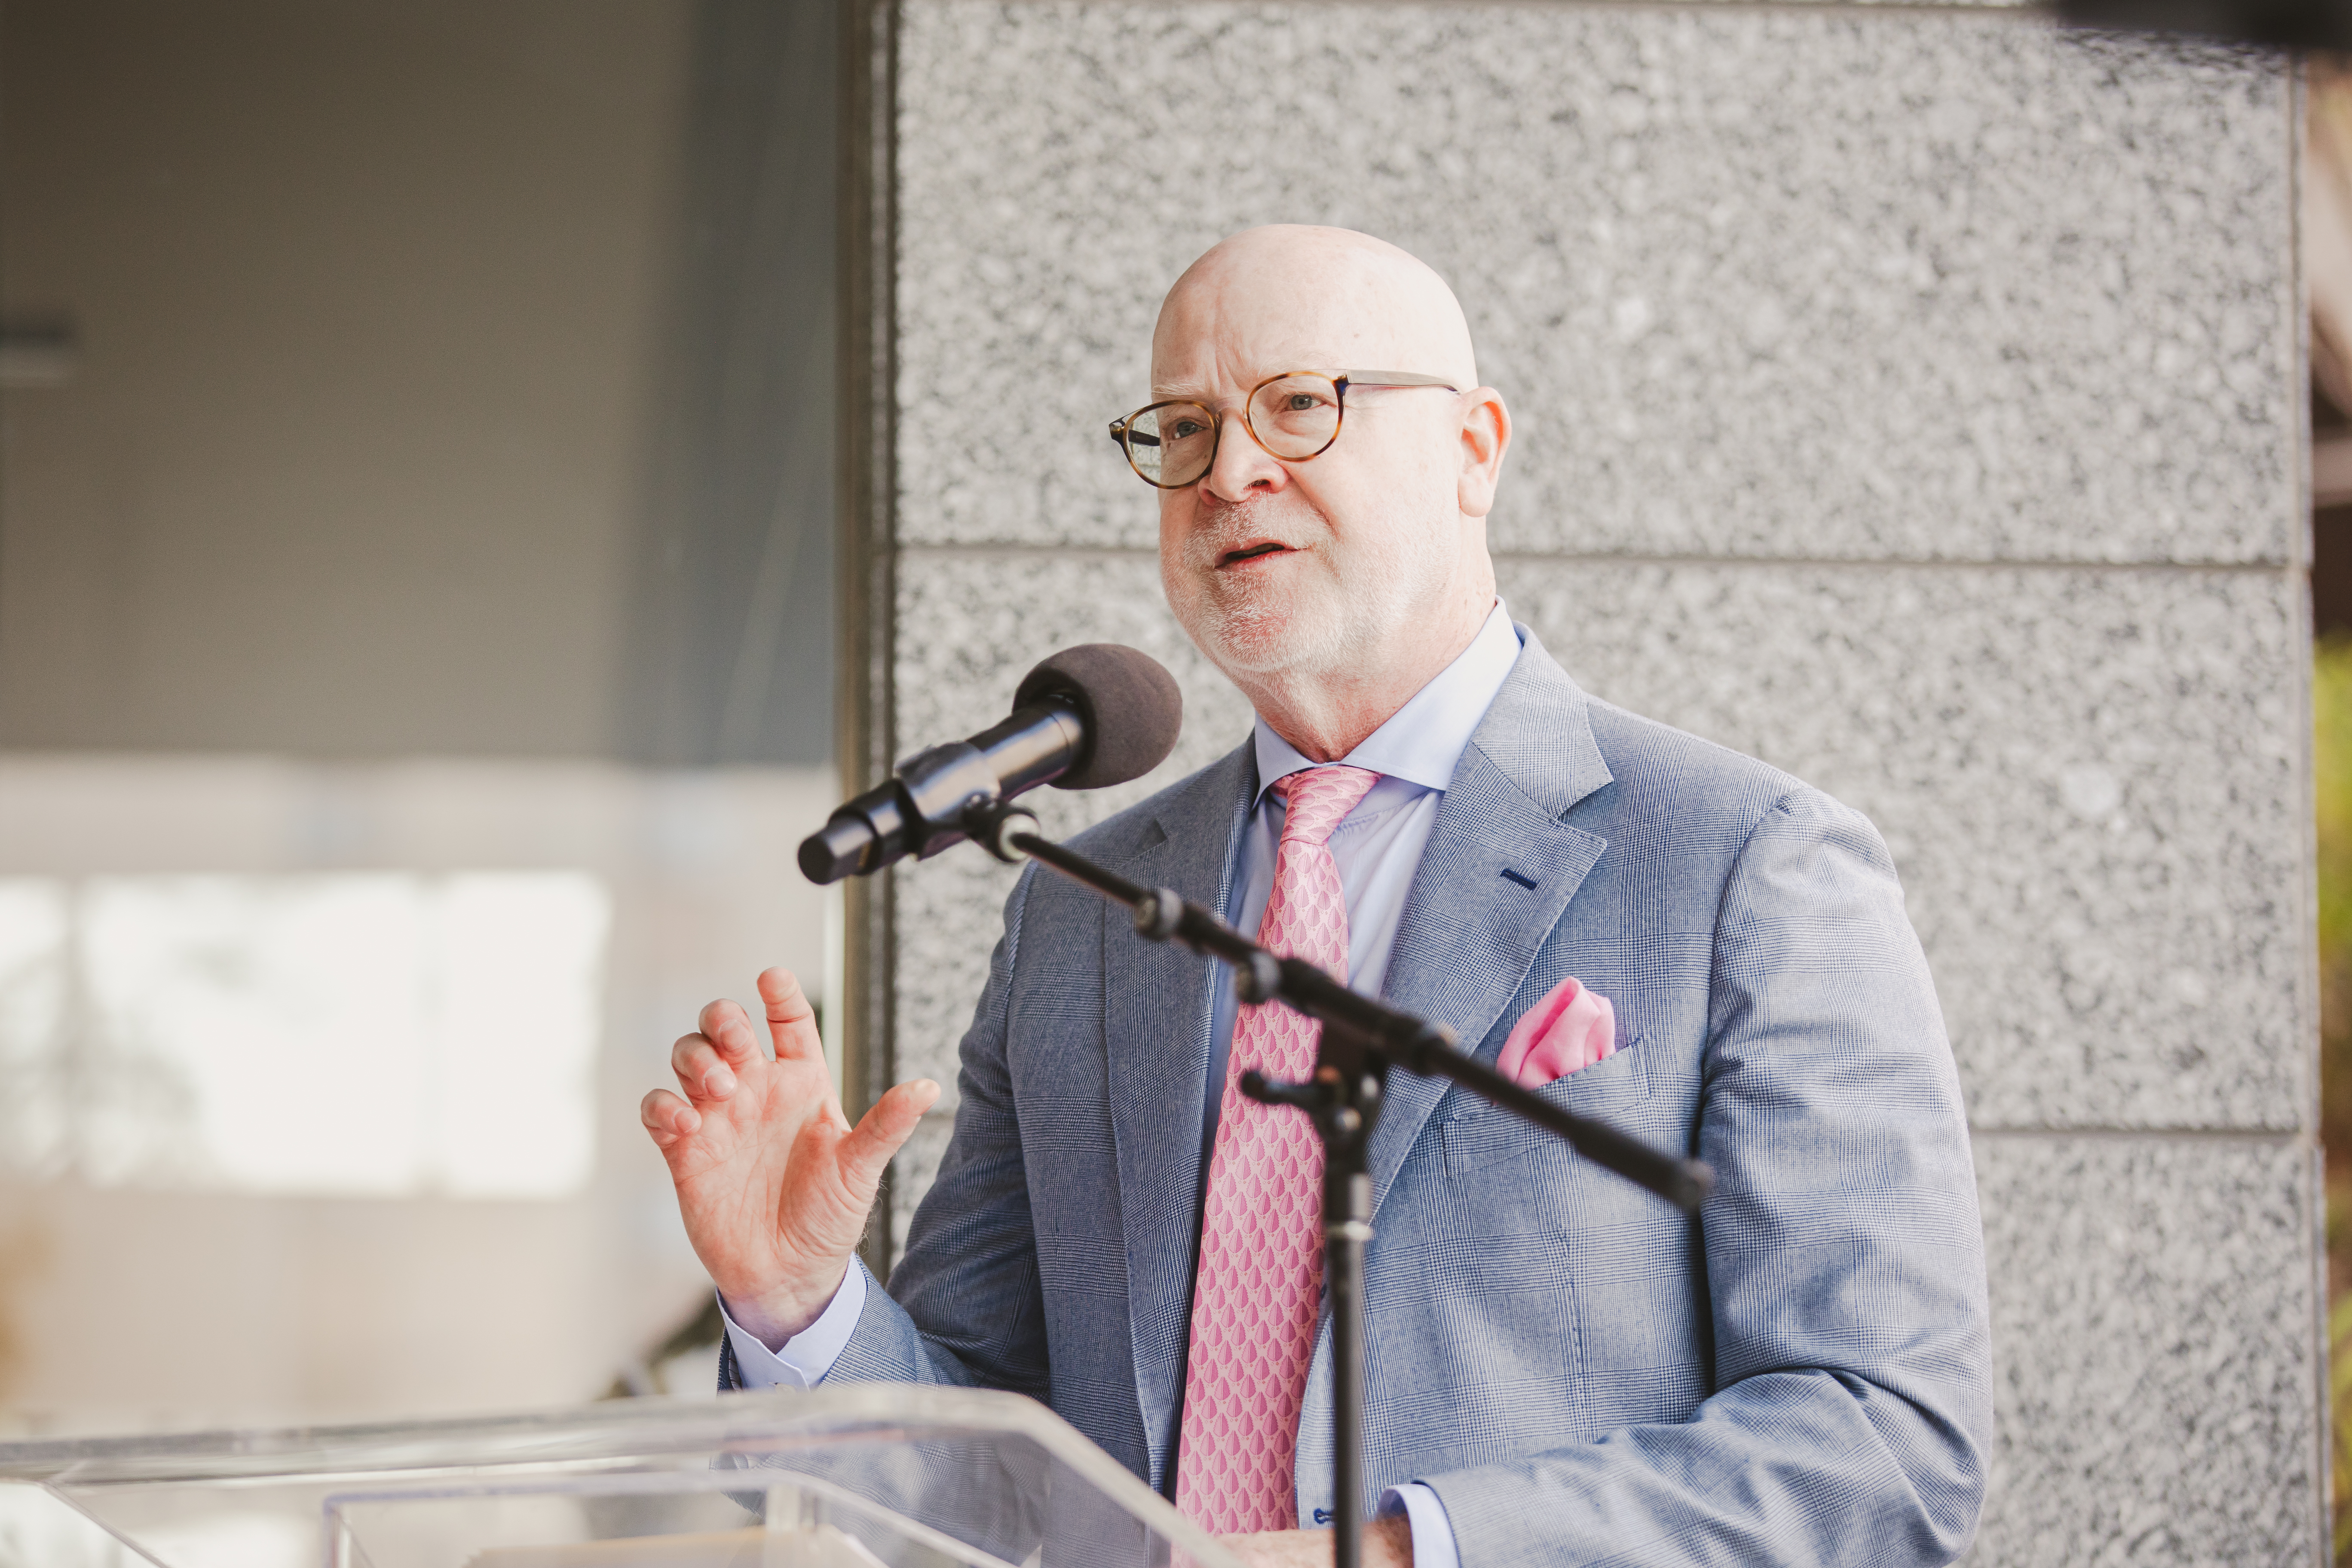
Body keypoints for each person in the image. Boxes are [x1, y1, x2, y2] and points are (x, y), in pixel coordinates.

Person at [643, 224, 1992, 1567]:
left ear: (1475, 449)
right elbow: (982, 1488)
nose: (1230, 471)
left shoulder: (1743, 861)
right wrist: (797, 1300)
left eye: (1301, 405)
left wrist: (1395, 1557)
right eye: (1182, 427)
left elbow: (1882, 1447)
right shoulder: (1083, 908)